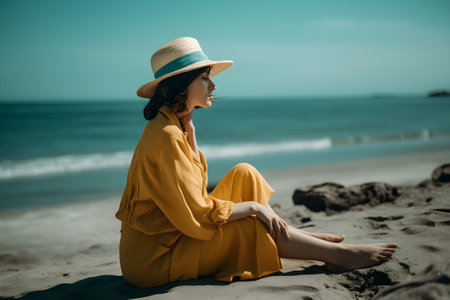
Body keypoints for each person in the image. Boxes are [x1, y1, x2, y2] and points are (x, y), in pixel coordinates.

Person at [115, 37, 397, 288]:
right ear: (180, 84)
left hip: (173, 237)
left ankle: (292, 236)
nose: (213, 85)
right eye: (204, 78)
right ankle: (337, 256)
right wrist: (255, 206)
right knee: (251, 223)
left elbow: (195, 190)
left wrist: (190, 129)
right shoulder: (165, 135)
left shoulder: (175, 125)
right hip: (156, 259)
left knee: (244, 173)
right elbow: (197, 213)